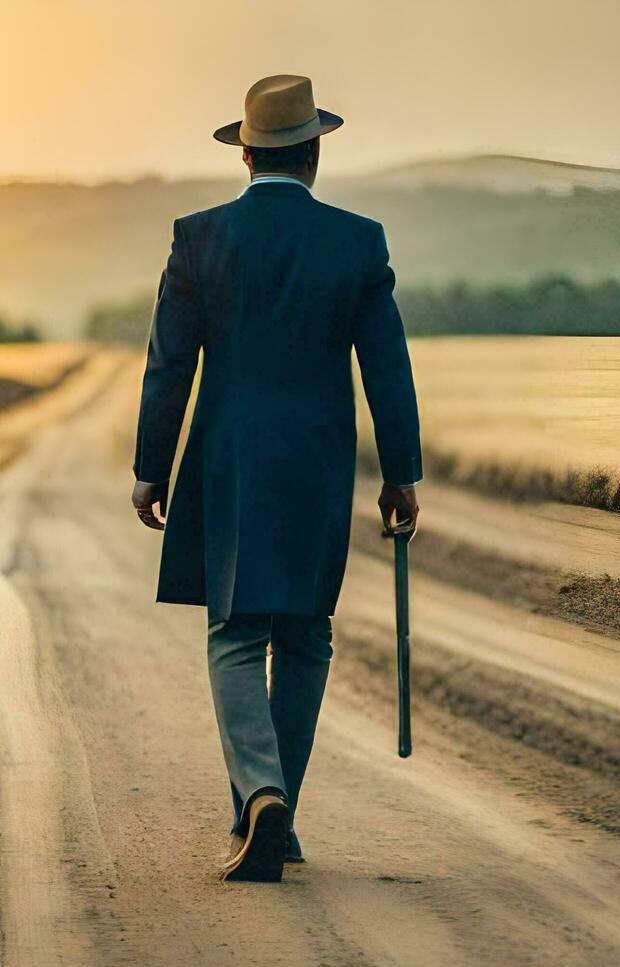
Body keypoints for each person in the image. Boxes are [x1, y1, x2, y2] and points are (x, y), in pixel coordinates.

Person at [130, 74, 422, 882]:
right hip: (319, 464)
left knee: (234, 632)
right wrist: (401, 475)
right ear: (316, 153)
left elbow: (168, 367)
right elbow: (387, 370)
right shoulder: (359, 242)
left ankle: (261, 798)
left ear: (247, 151)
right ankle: (273, 812)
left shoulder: (198, 238)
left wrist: (150, 469)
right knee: (305, 635)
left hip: (229, 459)